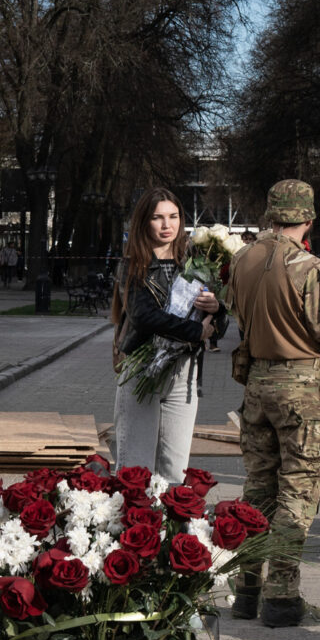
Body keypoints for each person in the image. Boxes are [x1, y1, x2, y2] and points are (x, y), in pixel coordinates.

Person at [226, 179, 320, 627]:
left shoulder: (242, 259)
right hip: (300, 390)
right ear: (309, 219)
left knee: (257, 487)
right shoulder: (310, 266)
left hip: (256, 385)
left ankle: (246, 590)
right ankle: (281, 598)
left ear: (270, 215)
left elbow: (233, 313)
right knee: (297, 491)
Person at [110, 189, 222, 484]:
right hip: (142, 369)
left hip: (184, 374)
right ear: (143, 223)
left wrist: (216, 308)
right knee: (136, 471)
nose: (166, 225)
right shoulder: (132, 265)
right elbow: (143, 317)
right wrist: (196, 331)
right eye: (157, 218)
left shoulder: (194, 264)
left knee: (174, 472)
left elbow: (215, 325)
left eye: (173, 217)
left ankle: (170, 530)